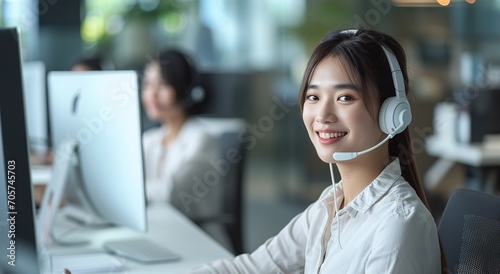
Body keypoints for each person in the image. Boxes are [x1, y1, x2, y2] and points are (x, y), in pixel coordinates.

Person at [187, 28, 445, 273]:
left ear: (392, 114)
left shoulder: (397, 224)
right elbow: (250, 268)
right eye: (313, 97)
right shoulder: (329, 205)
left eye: (345, 97)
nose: (322, 115)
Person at [141, 49, 231, 250]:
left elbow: (169, 192)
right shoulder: (149, 140)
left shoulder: (201, 139)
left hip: (199, 242)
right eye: (147, 84)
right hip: (162, 236)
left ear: (185, 88)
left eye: (163, 84)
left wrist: (134, 190)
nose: (152, 94)